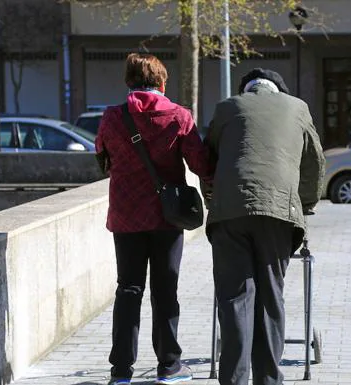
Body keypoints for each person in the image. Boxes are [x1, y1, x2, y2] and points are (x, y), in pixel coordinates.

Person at [95, 53, 213, 385]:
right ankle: (169, 366)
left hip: (126, 215)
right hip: (167, 216)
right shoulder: (178, 116)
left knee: (128, 289)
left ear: (129, 82)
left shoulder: (112, 117)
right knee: (165, 289)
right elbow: (201, 165)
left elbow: (101, 157)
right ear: (162, 83)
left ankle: (120, 371)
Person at [204, 68, 325, 385]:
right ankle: (269, 379)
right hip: (278, 212)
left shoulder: (228, 107)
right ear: (278, 91)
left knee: (234, 299)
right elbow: (314, 163)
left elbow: (208, 159)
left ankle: (233, 380)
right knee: (271, 297)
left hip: (230, 211)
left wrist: (212, 199)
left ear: (247, 90)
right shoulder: (297, 108)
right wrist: (306, 205)